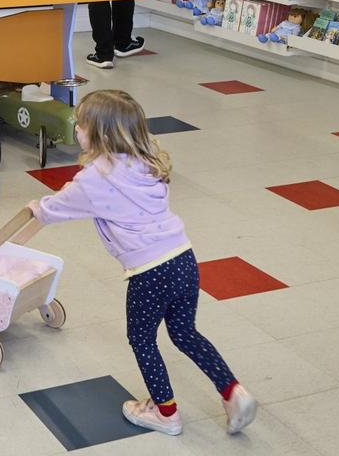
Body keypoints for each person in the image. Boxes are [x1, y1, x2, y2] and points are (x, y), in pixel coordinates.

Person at [30, 90, 257, 438]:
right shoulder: (146, 161)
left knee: (141, 339)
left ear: (102, 134)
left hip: (150, 272)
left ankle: (165, 413)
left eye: (82, 123)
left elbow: (55, 209)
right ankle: (232, 392)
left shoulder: (96, 178)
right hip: (184, 258)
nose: (77, 128)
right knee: (184, 332)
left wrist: (36, 208)